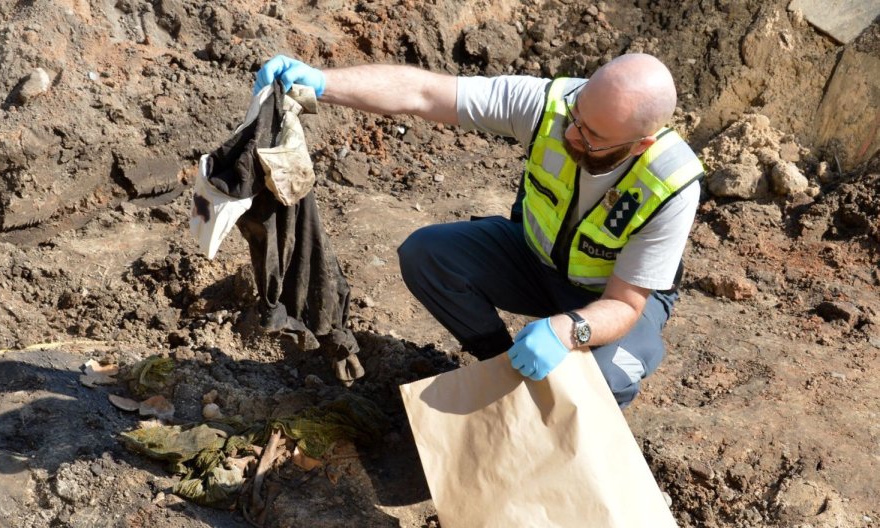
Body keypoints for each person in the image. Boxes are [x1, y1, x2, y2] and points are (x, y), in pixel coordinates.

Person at [253, 52, 703, 408]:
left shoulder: (669, 185)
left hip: (609, 297)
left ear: (639, 143)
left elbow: (625, 303)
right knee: (428, 254)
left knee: (609, 377)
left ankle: (579, 441)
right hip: (534, 260)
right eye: (576, 118)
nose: (572, 136)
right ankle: (503, 372)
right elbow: (426, 93)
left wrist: (569, 331)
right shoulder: (551, 106)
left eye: (592, 138)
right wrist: (325, 82)